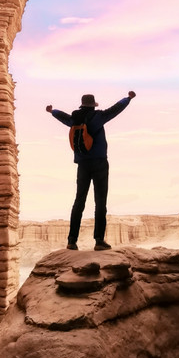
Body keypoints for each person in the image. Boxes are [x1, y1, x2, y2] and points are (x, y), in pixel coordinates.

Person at [46, 91, 136, 250]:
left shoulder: (75, 118)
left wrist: (52, 111)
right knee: (100, 202)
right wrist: (128, 98)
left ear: (82, 104)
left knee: (79, 201)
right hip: (100, 162)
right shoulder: (98, 117)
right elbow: (116, 109)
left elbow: (63, 117)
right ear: (93, 105)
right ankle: (99, 240)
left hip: (82, 164)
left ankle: (72, 240)